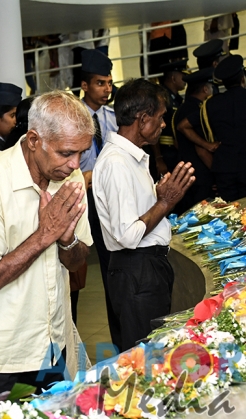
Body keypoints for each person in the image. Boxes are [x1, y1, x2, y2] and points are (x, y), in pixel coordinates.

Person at [0, 90, 94, 398]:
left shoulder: (70, 179)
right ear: (33, 140)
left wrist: (66, 239)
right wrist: (44, 235)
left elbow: (78, 260)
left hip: (51, 346)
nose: (75, 164)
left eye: (82, 153)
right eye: (66, 153)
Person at [92, 79, 195, 353]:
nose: (163, 125)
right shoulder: (116, 163)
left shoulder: (131, 158)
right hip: (137, 270)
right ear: (143, 119)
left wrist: (157, 198)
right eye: (160, 117)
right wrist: (165, 202)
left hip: (145, 267)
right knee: (143, 356)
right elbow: (128, 235)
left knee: (152, 352)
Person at [76, 49, 117, 332]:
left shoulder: (113, 118)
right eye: (100, 83)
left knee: (110, 260)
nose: (107, 89)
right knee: (76, 264)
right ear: (85, 86)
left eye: (109, 83)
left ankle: (118, 329)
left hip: (108, 195)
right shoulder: (74, 118)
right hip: (82, 195)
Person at [199, 55, 246, 201]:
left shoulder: (210, 104)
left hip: (224, 168)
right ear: (242, 78)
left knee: (230, 210)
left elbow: (208, 135)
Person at [173, 68, 216, 213]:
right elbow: (201, 149)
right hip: (201, 174)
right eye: (211, 87)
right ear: (205, 89)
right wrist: (216, 173)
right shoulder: (197, 111)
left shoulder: (182, 108)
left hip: (187, 172)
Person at [150, 59, 188, 179]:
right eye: (182, 76)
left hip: (176, 151)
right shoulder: (160, 97)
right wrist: (159, 159)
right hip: (165, 151)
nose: (185, 80)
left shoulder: (177, 98)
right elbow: (153, 128)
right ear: (173, 78)